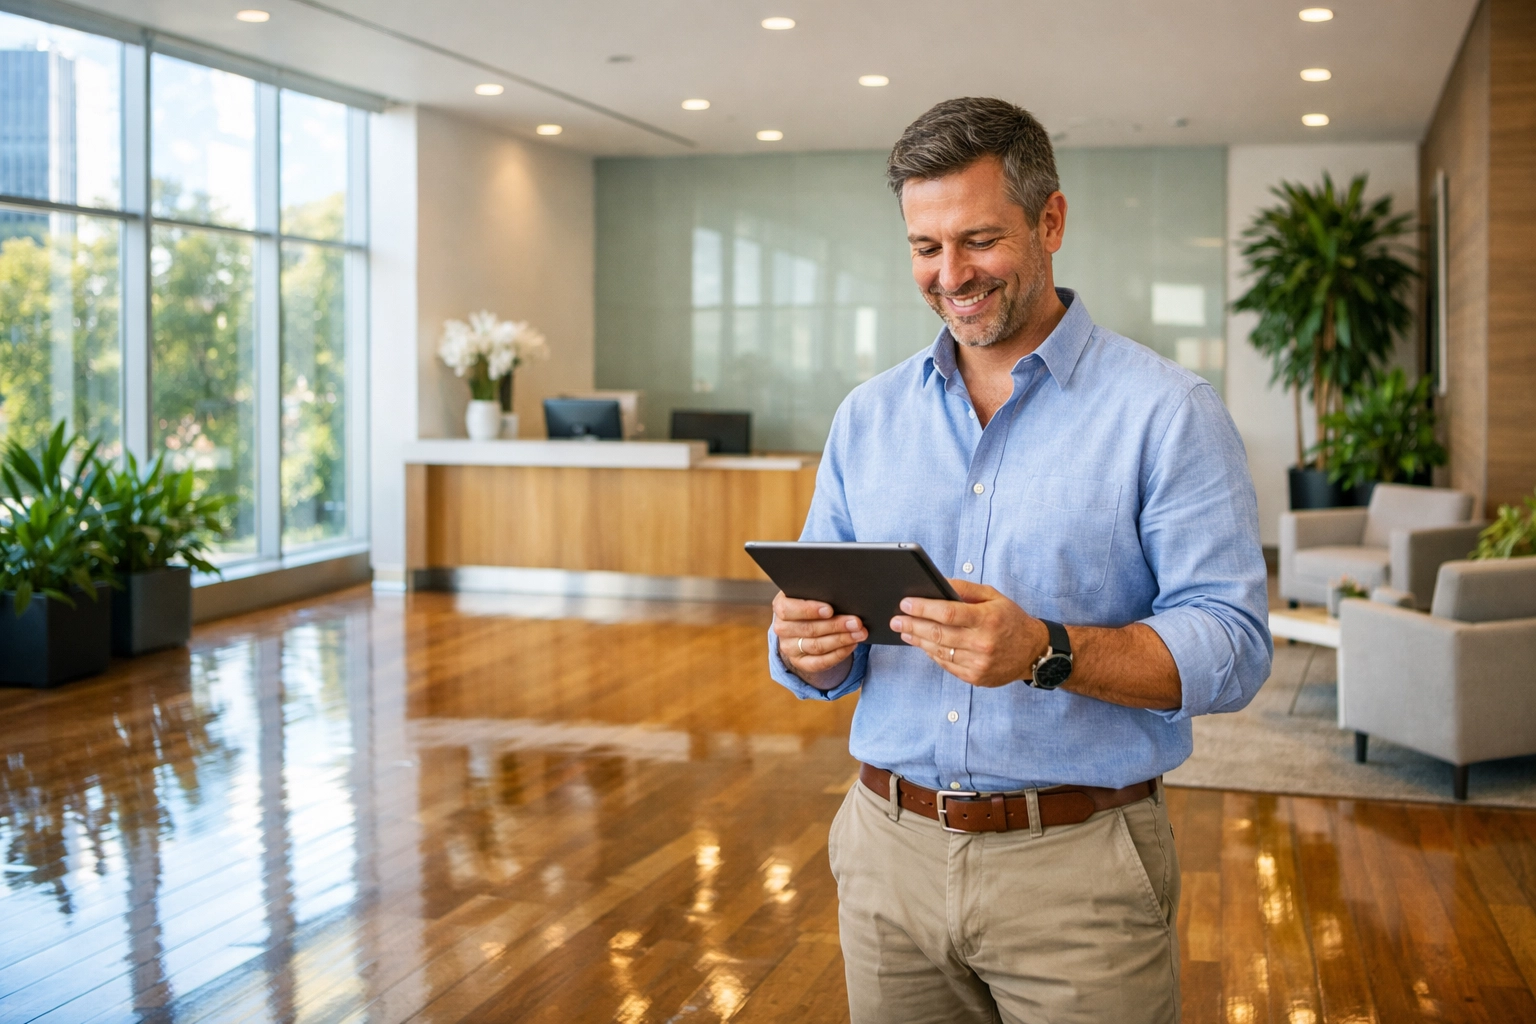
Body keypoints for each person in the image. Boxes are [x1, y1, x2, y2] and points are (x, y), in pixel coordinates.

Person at [766, 97, 1272, 1024]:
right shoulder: (866, 418)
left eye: (979, 240)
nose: (949, 275)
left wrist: (1046, 648)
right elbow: (819, 640)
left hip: (1079, 874)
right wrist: (806, 647)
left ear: (1051, 222)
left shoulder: (1168, 413)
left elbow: (1233, 646)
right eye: (925, 247)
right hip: (885, 857)